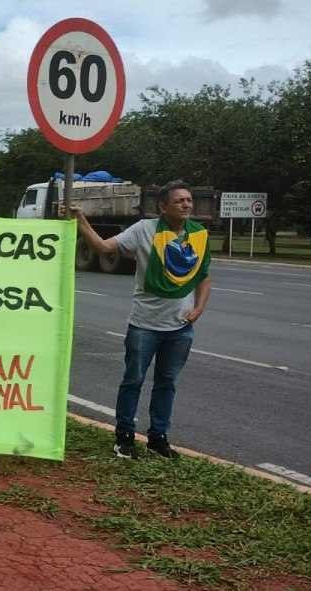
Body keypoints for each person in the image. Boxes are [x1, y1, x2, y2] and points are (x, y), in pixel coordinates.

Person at [66, 179, 212, 460]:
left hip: (180, 328)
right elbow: (104, 247)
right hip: (145, 325)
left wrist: (199, 308)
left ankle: (158, 438)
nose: (186, 204)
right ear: (163, 206)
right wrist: (81, 220)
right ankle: (124, 438)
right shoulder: (144, 229)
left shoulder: (198, 234)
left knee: (166, 383)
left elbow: (204, 277)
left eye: (189, 200)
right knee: (133, 381)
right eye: (179, 200)